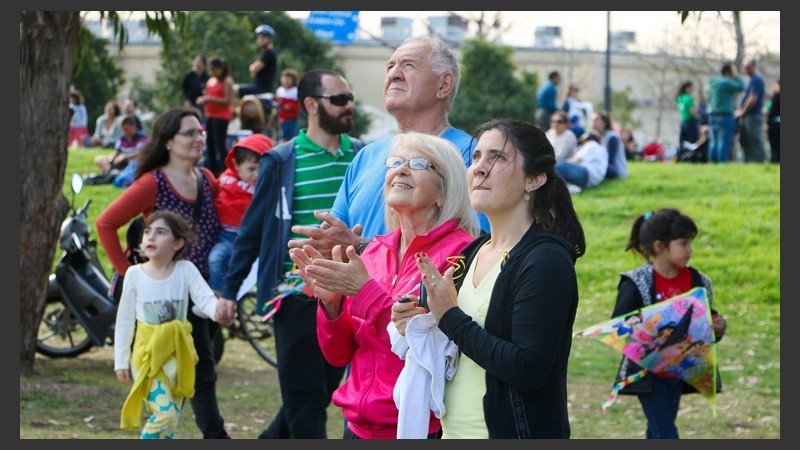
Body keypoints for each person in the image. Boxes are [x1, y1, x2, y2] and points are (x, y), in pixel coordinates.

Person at [391, 118, 586, 438]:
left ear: (534, 179)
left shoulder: (546, 260)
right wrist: (414, 319)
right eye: (477, 157)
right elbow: (450, 338)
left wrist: (449, 318)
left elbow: (528, 369)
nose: (479, 168)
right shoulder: (472, 253)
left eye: (498, 157)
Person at [288, 132, 479, 439]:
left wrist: (364, 293)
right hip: (357, 428)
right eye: (395, 162)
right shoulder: (373, 252)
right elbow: (338, 356)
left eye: (418, 163)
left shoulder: (462, 254)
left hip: (421, 427)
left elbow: (426, 347)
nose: (401, 169)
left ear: (445, 191)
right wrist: (331, 305)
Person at [218, 69, 362, 439]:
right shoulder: (282, 160)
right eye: (340, 99)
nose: (349, 106)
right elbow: (252, 231)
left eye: (350, 99)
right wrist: (229, 290)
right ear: (311, 105)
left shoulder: (363, 156)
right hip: (296, 296)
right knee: (305, 401)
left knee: (318, 394)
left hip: (350, 297)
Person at [288, 36, 488, 261]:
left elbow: (476, 248)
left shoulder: (474, 156)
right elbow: (334, 240)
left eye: (409, 65)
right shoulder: (365, 156)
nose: (394, 74)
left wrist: (361, 247)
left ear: (443, 85)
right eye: (390, 66)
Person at [96, 106, 230, 439]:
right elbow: (106, 223)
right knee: (199, 374)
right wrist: (130, 274)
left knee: (192, 375)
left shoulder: (207, 179)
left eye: (200, 132)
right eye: (189, 133)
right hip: (170, 295)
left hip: (202, 291)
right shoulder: (151, 183)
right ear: (168, 142)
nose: (199, 138)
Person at [610, 208, 727, 439]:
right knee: (666, 434)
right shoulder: (637, 283)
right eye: (683, 243)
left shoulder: (697, 281)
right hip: (649, 376)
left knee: (657, 432)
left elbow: (707, 319)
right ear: (659, 246)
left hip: (681, 372)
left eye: (690, 243)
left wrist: (718, 326)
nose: (690, 250)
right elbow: (619, 326)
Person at [114, 211, 221, 439]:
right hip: (148, 357)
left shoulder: (186, 270)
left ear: (178, 243)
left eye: (160, 232)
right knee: (164, 416)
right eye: (147, 232)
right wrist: (120, 360)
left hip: (179, 354)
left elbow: (206, 299)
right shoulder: (134, 274)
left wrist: (219, 311)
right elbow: (124, 321)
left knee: (170, 425)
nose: (151, 238)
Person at [207, 134, 273, 294]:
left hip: (257, 239)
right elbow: (217, 199)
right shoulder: (226, 180)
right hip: (227, 236)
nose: (256, 174)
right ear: (236, 165)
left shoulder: (268, 185)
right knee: (215, 260)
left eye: (261, 168)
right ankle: (217, 295)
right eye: (251, 169)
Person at [197, 56, 235, 177]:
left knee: (220, 143)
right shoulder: (210, 81)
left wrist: (210, 99)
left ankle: (225, 169)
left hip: (221, 116)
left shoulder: (227, 81)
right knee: (210, 143)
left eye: (214, 69)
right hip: (210, 115)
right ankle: (212, 170)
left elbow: (228, 100)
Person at [706, 62, 744, 163]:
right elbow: (741, 87)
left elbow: (707, 97)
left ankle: (712, 164)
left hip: (712, 115)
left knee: (714, 141)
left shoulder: (713, 82)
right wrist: (736, 75)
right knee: (724, 141)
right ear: (729, 71)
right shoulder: (725, 83)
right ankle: (722, 164)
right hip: (725, 115)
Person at [735, 58, 767, 163]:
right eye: (745, 67)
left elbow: (753, 98)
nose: (746, 69)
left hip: (752, 115)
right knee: (745, 140)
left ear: (754, 66)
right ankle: (748, 161)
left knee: (755, 139)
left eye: (748, 67)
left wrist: (742, 111)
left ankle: (761, 162)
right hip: (746, 115)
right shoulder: (749, 80)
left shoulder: (756, 79)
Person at [235, 24, 278, 98]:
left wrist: (252, 68)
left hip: (262, 88)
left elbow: (254, 69)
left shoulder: (269, 53)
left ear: (270, 39)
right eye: (259, 36)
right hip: (257, 86)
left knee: (233, 89)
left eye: (264, 36)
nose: (260, 38)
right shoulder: (264, 53)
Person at [591, 111, 628, 180]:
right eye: (592, 120)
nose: (593, 123)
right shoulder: (598, 137)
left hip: (616, 171)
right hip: (607, 167)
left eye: (596, 120)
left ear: (604, 123)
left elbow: (610, 161)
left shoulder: (612, 137)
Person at [275, 68, 302, 142]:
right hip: (280, 119)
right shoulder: (280, 90)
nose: (286, 80)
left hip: (291, 120)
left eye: (288, 78)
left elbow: (300, 106)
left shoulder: (295, 91)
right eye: (284, 77)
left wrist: (291, 106)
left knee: (289, 139)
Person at [182, 54, 210, 121]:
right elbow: (184, 89)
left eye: (200, 62)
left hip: (204, 104)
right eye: (196, 61)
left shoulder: (207, 76)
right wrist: (186, 101)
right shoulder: (189, 75)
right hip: (191, 103)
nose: (197, 64)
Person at [675, 80, 700, 153]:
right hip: (691, 121)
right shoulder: (689, 98)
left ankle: (681, 155)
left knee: (683, 141)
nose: (693, 89)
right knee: (692, 141)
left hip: (683, 121)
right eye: (692, 87)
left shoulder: (679, 98)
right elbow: (693, 112)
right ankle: (691, 157)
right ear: (687, 88)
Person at [766, 79, 780, 163]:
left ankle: (775, 160)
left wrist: (767, 123)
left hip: (775, 123)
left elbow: (772, 111)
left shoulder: (777, 95)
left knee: (775, 144)